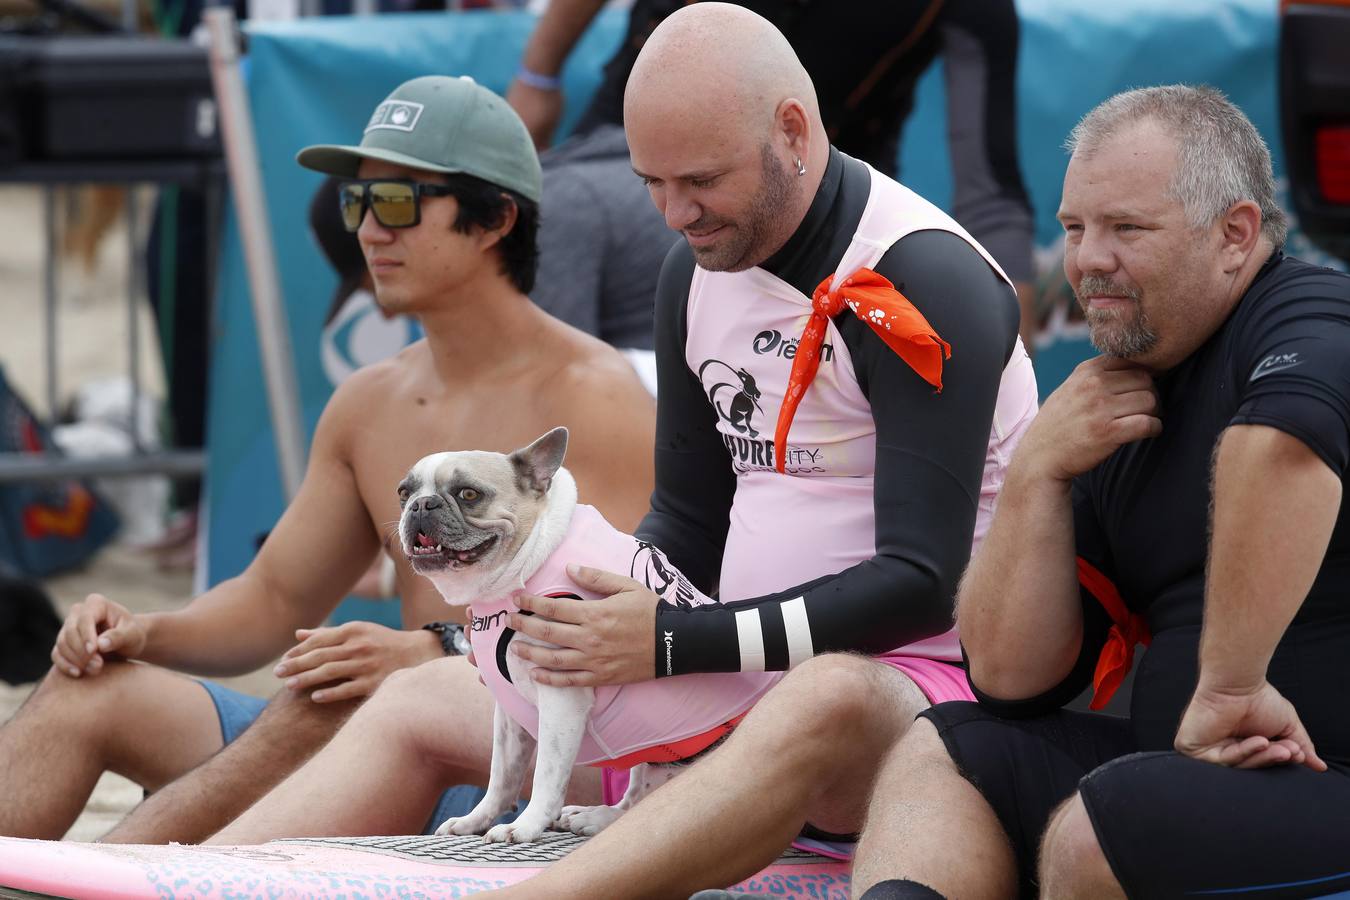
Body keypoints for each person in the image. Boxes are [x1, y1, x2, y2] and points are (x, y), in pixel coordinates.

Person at [210, 5, 1037, 892]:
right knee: (415, 692)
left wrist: (678, 643)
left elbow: (922, 584)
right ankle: (170, 879)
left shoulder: (924, 277)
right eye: (651, 182)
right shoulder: (696, 267)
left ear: (792, 132)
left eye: (700, 181)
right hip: (726, 680)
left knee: (822, 693)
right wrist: (584, 618)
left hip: (907, 702)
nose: (676, 214)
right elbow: (685, 519)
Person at [0, 74, 655, 845]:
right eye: (359, 203)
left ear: (495, 220)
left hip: (513, 771)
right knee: (94, 691)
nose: (371, 230)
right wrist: (140, 631)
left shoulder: (595, 398)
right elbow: (273, 601)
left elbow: (614, 630)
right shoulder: (369, 401)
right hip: (385, 733)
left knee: (339, 696)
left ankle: (116, 883)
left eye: (401, 203)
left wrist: (434, 649)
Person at [850, 85, 1350, 899]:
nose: (1086, 259)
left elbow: (1279, 449)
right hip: (1181, 773)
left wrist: (1228, 691)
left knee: (1102, 824)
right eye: (1075, 227)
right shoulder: (1118, 398)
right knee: (947, 745)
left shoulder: (1310, 315)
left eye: (1126, 228)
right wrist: (1037, 473)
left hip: (1324, 772)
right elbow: (1011, 678)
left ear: (1235, 235)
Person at [508, 0, 1040, 349]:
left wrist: (1006, 372)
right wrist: (538, 74)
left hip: (817, 211)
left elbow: (990, 195)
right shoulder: (608, 196)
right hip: (623, 154)